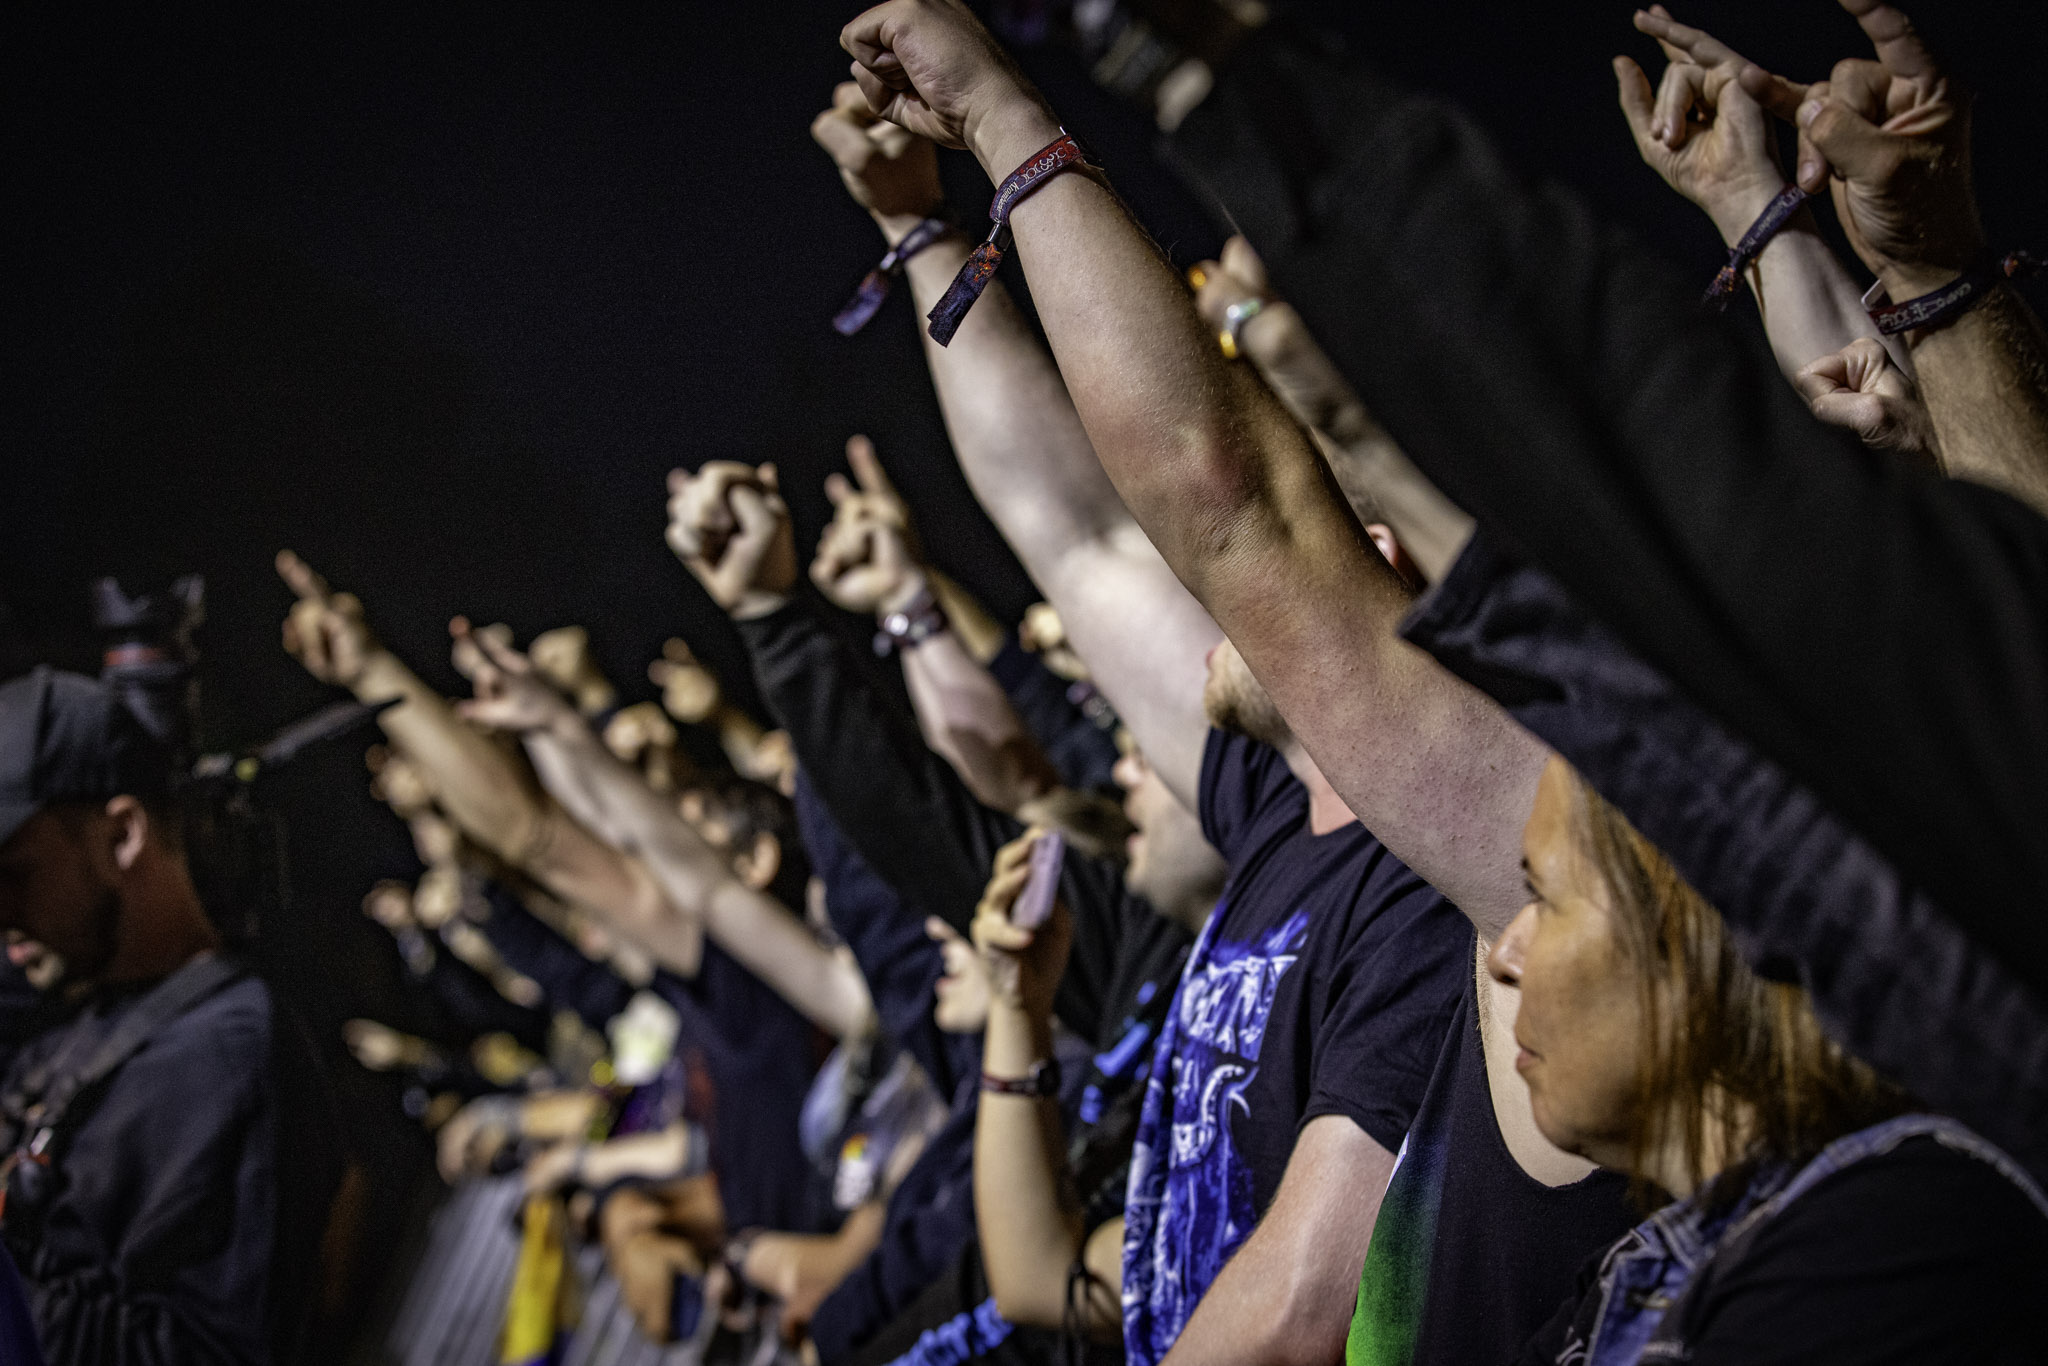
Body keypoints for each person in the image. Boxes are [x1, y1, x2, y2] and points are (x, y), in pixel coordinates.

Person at [811, 67, 1472, 1366]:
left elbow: (1296, 1314)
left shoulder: (1430, 895)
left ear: (1379, 558)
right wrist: (918, 226)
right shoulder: (1280, 816)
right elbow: (1076, 530)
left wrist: (1005, 121)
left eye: (1229, 564)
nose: (1190, 579)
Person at [1501, 757, 2048, 1364]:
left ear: (1690, 943)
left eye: (1542, 896)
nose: (1506, 955)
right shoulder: (1639, 1269)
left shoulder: (1892, 1242)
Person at [0, 667, 339, 1365]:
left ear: (124, 834)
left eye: (16, 874)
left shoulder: (228, 1053)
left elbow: (201, 1352)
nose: (2, 914)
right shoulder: (77, 1018)